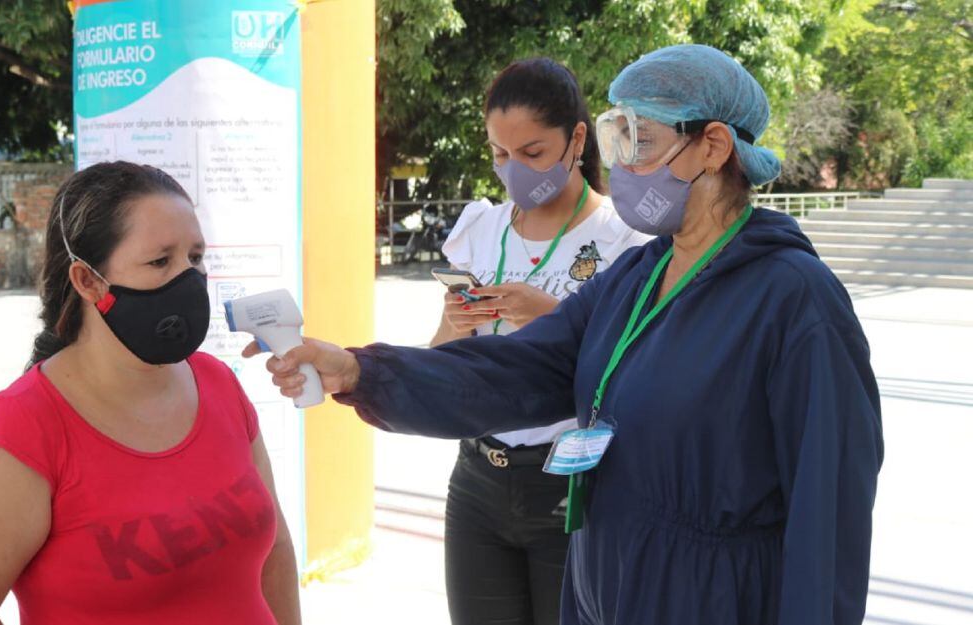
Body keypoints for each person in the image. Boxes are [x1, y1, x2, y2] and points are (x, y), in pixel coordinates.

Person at [253, 45, 884, 625]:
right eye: (618, 137)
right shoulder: (638, 278)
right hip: (603, 594)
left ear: (713, 146)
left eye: (640, 140)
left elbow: (829, 514)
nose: (624, 163)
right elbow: (514, 371)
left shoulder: (793, 300)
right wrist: (360, 372)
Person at [0, 162, 301, 625]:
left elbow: (276, 551)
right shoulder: (20, 430)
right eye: (160, 261)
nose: (189, 279)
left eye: (195, 258)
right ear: (88, 281)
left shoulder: (217, 383)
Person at [431, 58, 649, 625]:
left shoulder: (623, 240)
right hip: (478, 478)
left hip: (570, 483)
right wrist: (455, 325)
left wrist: (554, 317)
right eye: (500, 154)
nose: (514, 171)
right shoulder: (480, 229)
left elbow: (639, 375)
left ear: (576, 139)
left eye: (532, 153)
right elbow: (439, 363)